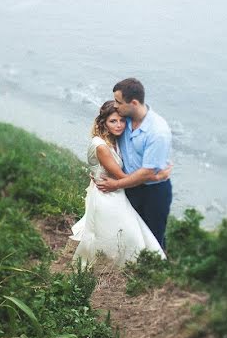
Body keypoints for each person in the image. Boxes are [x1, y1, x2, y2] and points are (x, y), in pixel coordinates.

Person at [70, 100, 169, 266]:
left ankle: (130, 263)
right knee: (127, 233)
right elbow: (123, 177)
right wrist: (157, 177)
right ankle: (124, 266)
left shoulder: (115, 140)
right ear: (103, 123)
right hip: (107, 195)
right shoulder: (101, 146)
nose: (119, 125)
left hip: (115, 192)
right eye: (113, 121)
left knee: (126, 232)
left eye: (122, 121)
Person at [97, 78, 173, 250]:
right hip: (130, 186)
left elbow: (146, 173)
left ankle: (156, 271)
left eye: (118, 102)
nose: (115, 105)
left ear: (134, 103)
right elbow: (104, 123)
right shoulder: (124, 119)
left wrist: (116, 184)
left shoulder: (158, 131)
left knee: (153, 236)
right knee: (132, 231)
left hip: (154, 191)